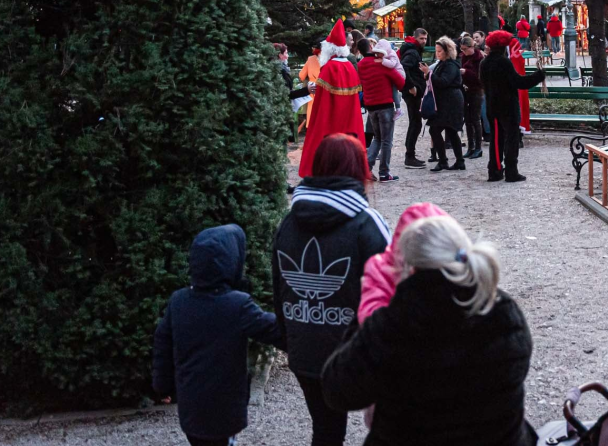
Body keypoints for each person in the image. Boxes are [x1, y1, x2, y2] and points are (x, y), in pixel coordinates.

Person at [321, 214, 537, 446]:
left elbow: (338, 390)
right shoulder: (502, 312)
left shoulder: (393, 325)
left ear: (410, 267)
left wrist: (364, 311)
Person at [275, 134, 391, 446]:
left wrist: (289, 339)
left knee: (326, 431)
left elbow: (279, 289)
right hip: (359, 351)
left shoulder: (287, 223)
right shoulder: (367, 224)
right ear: (358, 169)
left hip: (305, 347)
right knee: (389, 426)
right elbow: (392, 292)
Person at [152, 225, 283, 446]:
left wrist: (162, 386)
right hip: (224, 410)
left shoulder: (179, 301)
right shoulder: (237, 304)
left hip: (191, 408)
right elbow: (274, 330)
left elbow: (162, 345)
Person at [298, 20, 366, 178]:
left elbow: (322, 101)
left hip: (329, 120)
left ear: (329, 49)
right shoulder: (349, 67)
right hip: (349, 120)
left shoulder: (328, 68)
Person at [481, 30, 546, 183]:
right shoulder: (504, 62)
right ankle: (511, 171)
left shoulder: (484, 63)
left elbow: (482, 83)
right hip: (508, 106)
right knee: (511, 139)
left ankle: (495, 171)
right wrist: (539, 76)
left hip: (492, 105)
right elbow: (519, 82)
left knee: (496, 140)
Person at [358, 39, 407, 182]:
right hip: (385, 104)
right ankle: (384, 172)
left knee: (377, 138)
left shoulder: (361, 64)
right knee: (387, 140)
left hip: (370, 106)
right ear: (371, 47)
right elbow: (400, 82)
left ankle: (367, 167)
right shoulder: (381, 62)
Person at [424, 36, 465, 171]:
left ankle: (445, 161)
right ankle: (456, 161)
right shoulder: (443, 63)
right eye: (436, 51)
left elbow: (444, 81)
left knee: (441, 130)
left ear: (447, 51)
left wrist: (429, 73)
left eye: (440, 51)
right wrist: (428, 75)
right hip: (445, 101)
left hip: (450, 102)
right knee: (448, 131)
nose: (437, 54)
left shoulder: (451, 65)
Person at [399, 28, 429, 169]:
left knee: (415, 123)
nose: (424, 41)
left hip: (413, 92)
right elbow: (404, 67)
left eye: (425, 38)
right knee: (415, 123)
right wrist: (411, 86)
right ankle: (409, 156)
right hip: (412, 93)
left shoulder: (413, 50)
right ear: (415, 38)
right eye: (421, 39)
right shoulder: (412, 52)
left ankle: (410, 154)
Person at [460, 36, 485, 159]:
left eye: (465, 49)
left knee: (475, 119)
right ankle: (470, 146)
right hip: (466, 91)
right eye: (462, 49)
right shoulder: (464, 57)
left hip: (476, 91)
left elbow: (480, 78)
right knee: (468, 120)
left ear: (472, 47)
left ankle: (478, 147)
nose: (463, 51)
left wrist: (466, 73)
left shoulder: (479, 58)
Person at [299, 42, 323, 127]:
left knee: (312, 119)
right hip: (325, 89)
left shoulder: (310, 59)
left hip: (313, 90)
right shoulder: (329, 59)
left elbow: (301, 75)